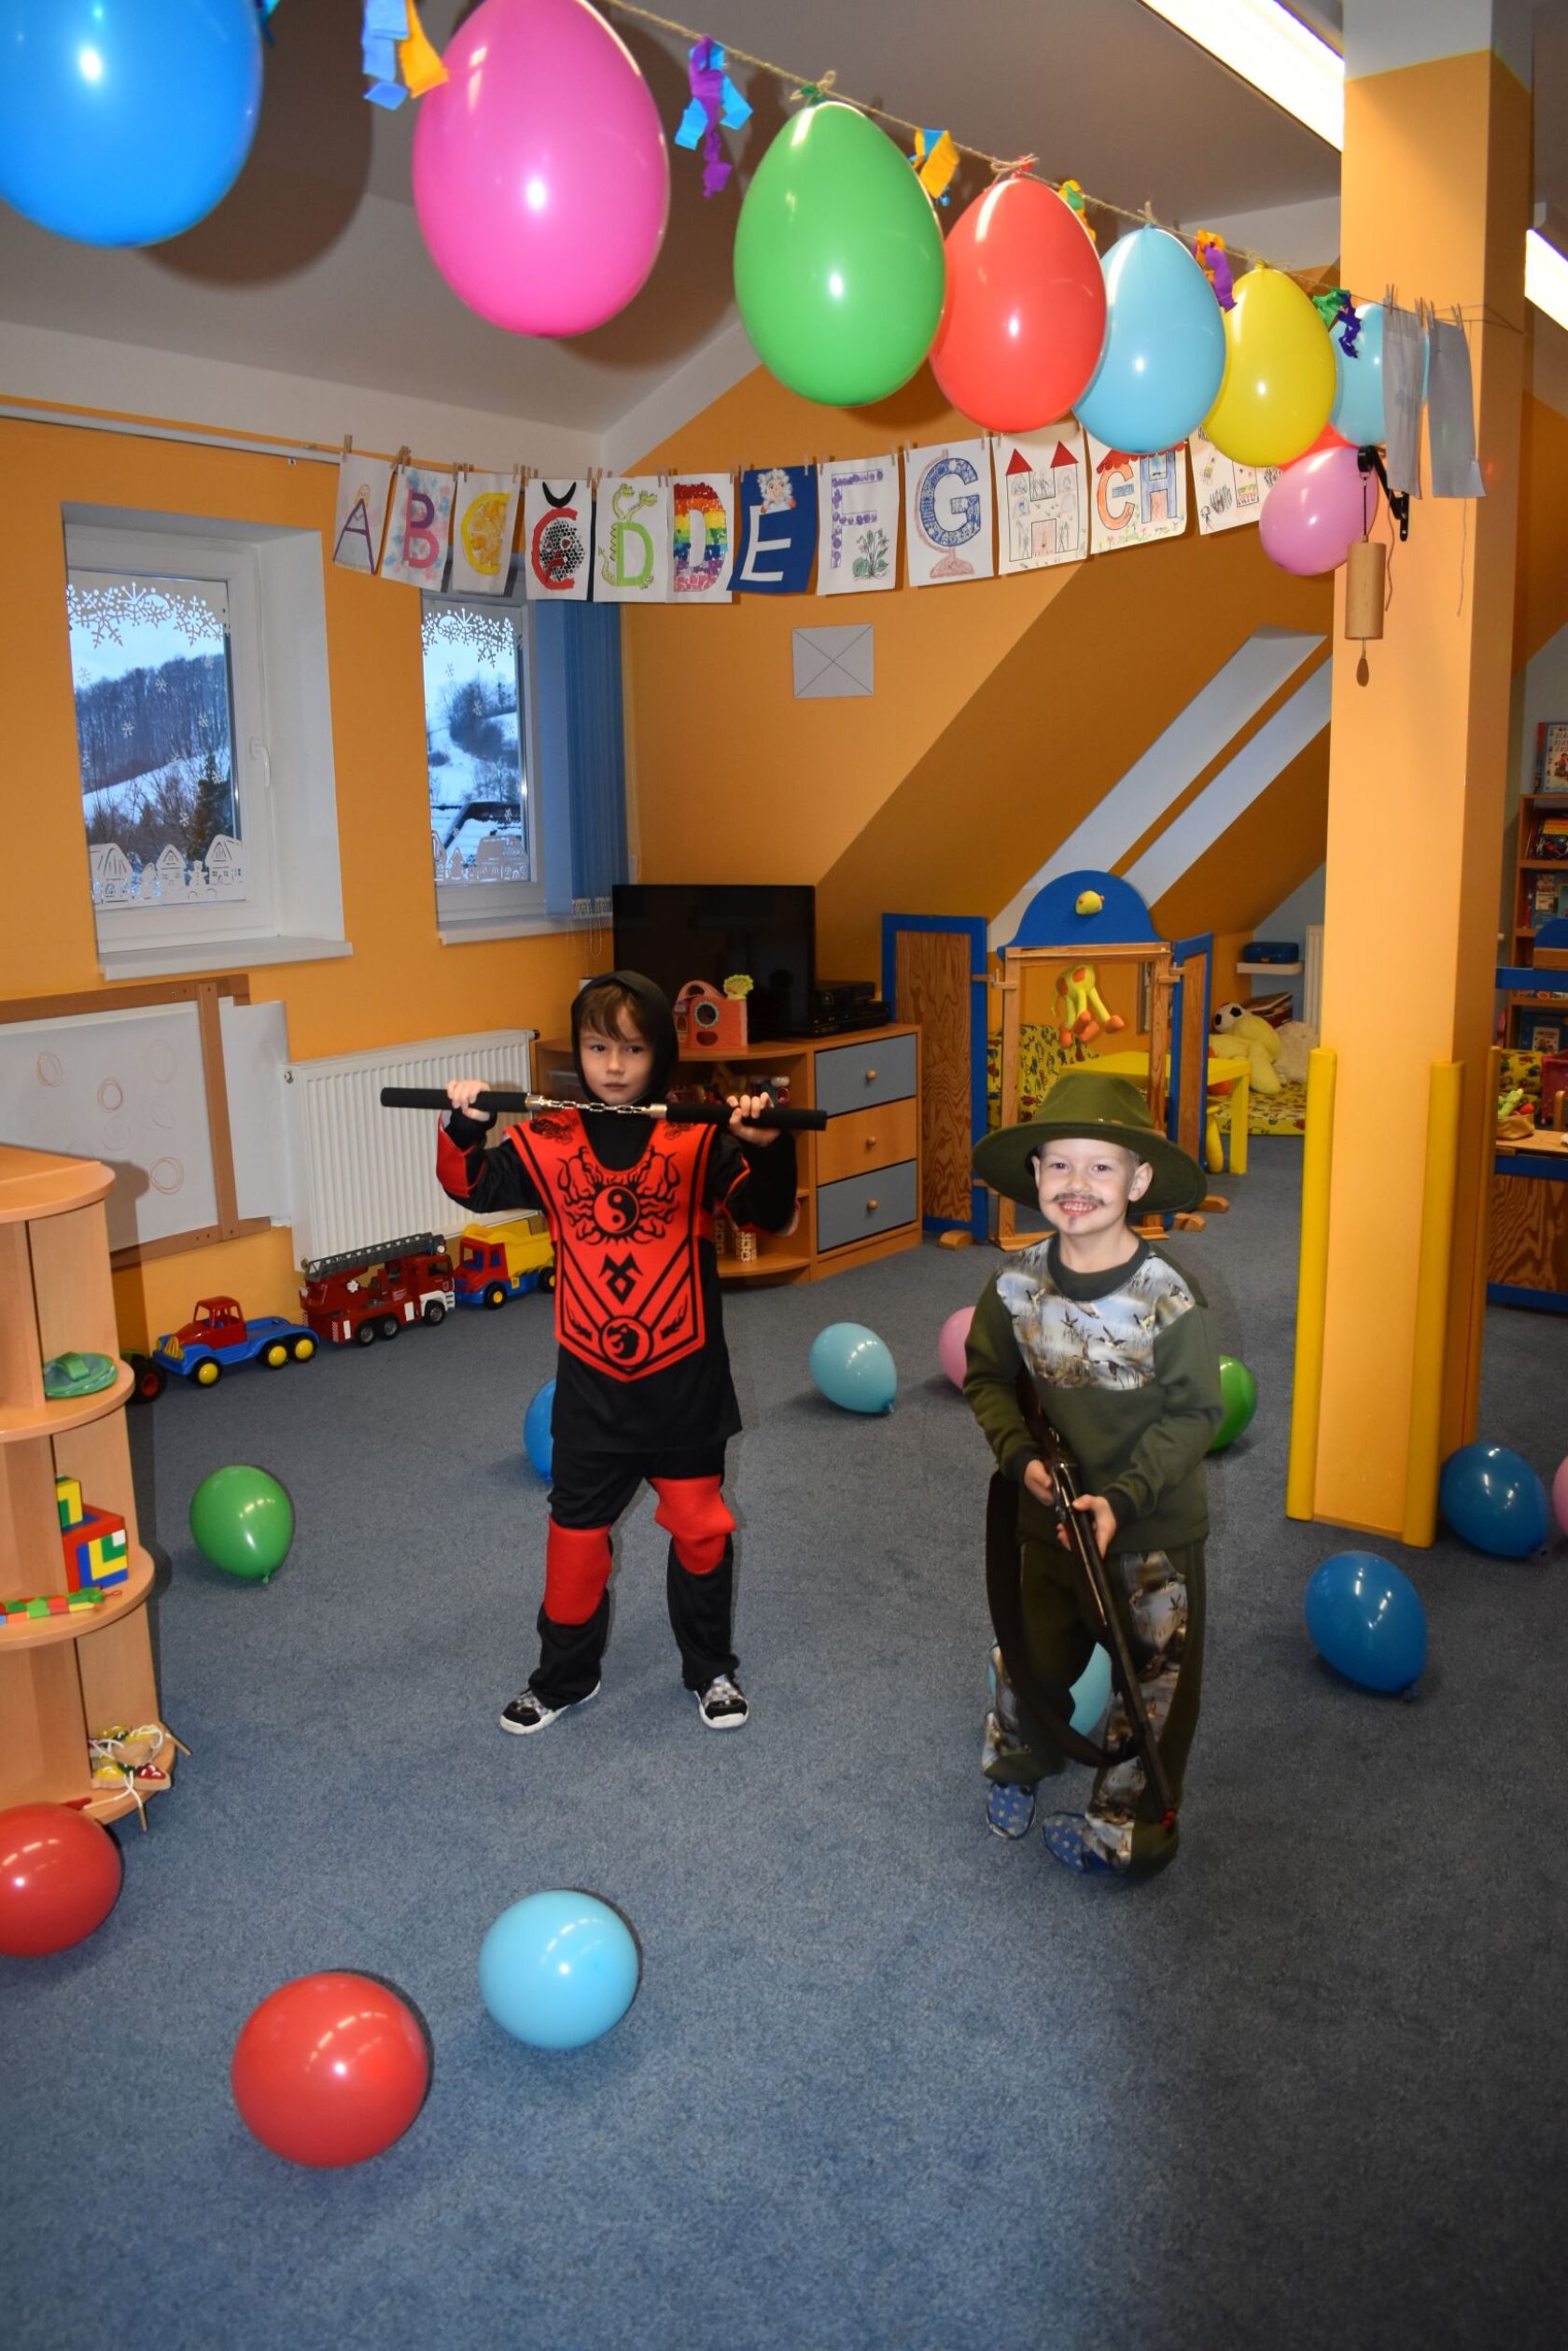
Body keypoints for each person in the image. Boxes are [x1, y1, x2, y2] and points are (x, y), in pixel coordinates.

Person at [438, 971, 798, 1737]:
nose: (613, 1064)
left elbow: (768, 1215)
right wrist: (465, 1126)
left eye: (632, 1049)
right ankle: (563, 1678)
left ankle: (710, 1668)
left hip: (685, 1388)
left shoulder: (698, 1137)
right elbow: (471, 1185)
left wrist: (769, 1147)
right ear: (581, 1051)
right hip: (592, 1391)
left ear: (659, 1054)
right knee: (574, 1542)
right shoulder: (550, 1137)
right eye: (599, 1046)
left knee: (701, 1531)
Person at [962, 1072, 1223, 1878]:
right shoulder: (1013, 1284)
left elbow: (1196, 1413)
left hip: (1152, 1532)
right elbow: (987, 1378)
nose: (1077, 1183)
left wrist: (1123, 1497)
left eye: (1101, 1166)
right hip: (1051, 1524)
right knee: (1029, 1655)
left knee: (1154, 1693)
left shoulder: (1168, 1297)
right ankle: (1018, 1761)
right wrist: (1021, 1459)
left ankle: (1126, 1833)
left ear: (1138, 1181)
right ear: (1035, 1174)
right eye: (1059, 1164)